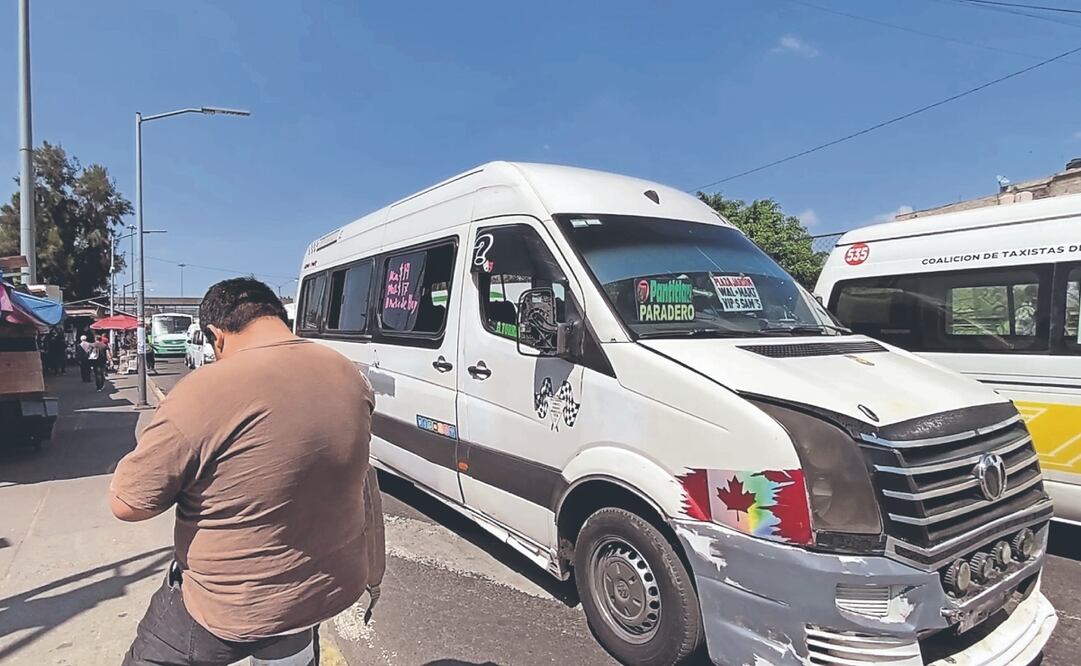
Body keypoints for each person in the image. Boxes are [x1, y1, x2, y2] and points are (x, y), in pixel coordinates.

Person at [110, 277, 385, 666]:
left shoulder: (202, 391)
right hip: (323, 591)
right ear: (277, 316)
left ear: (215, 336)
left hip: (231, 606)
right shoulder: (347, 373)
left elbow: (128, 504)